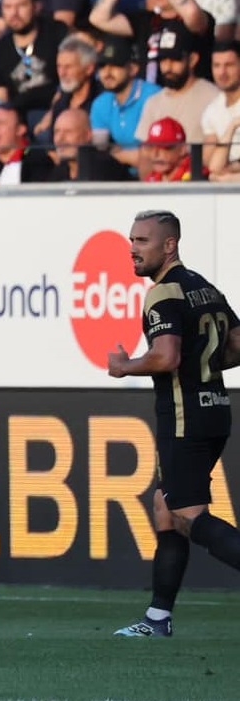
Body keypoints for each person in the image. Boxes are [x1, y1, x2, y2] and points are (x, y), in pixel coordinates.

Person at [108, 210, 240, 637]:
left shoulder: (163, 292)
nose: (133, 248)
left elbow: (166, 357)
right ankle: (157, 619)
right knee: (166, 510)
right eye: (132, 239)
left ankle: (157, 620)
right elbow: (237, 346)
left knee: (186, 514)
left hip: (185, 416)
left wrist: (125, 366)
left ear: (170, 245)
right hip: (216, 407)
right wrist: (206, 366)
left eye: (143, 241)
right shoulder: (204, 287)